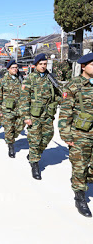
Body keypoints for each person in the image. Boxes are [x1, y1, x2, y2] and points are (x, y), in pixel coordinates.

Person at [59, 53, 93, 217]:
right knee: (80, 167)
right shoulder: (73, 85)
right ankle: (80, 197)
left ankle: (85, 182)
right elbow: (65, 113)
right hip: (80, 134)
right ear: (84, 66)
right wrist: (67, 136)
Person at [19, 53, 62, 180]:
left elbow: (57, 94)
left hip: (48, 114)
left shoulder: (51, 78)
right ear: (36, 65)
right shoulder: (30, 79)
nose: (43, 66)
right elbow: (24, 99)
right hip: (34, 115)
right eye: (41, 64)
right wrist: (26, 116)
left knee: (48, 136)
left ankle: (34, 153)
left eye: (45, 64)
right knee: (34, 139)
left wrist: (64, 100)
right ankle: (35, 164)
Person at [0, 60, 24, 157]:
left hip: (18, 109)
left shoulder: (19, 79)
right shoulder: (2, 81)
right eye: (13, 68)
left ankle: (11, 138)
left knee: (20, 126)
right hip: (7, 109)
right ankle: (10, 146)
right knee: (8, 128)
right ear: (8, 69)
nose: (15, 69)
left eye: (16, 67)